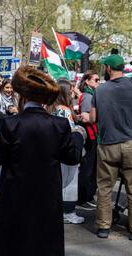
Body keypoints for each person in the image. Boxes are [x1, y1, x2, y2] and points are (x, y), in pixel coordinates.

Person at [0, 66, 84, 256]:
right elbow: (72, 157)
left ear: (23, 96)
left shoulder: (11, 123)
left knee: (10, 230)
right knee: (43, 232)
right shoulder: (59, 125)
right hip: (46, 191)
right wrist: (77, 135)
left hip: (14, 189)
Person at [90, 54, 132, 241]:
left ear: (109, 69)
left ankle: (104, 227)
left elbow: (93, 118)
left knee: (104, 188)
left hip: (108, 144)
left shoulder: (100, 90)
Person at [47, 80, 86, 224]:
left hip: (55, 150)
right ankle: (68, 212)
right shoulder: (64, 109)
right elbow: (68, 131)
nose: (72, 93)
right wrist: (79, 130)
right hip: (66, 150)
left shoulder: (52, 107)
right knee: (69, 182)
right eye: (70, 91)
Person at [76, 70, 100, 210]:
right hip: (90, 136)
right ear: (88, 82)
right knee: (87, 169)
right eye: (95, 80)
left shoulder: (91, 95)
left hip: (93, 135)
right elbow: (85, 116)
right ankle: (82, 198)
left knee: (91, 169)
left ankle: (88, 196)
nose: (98, 82)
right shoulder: (87, 96)